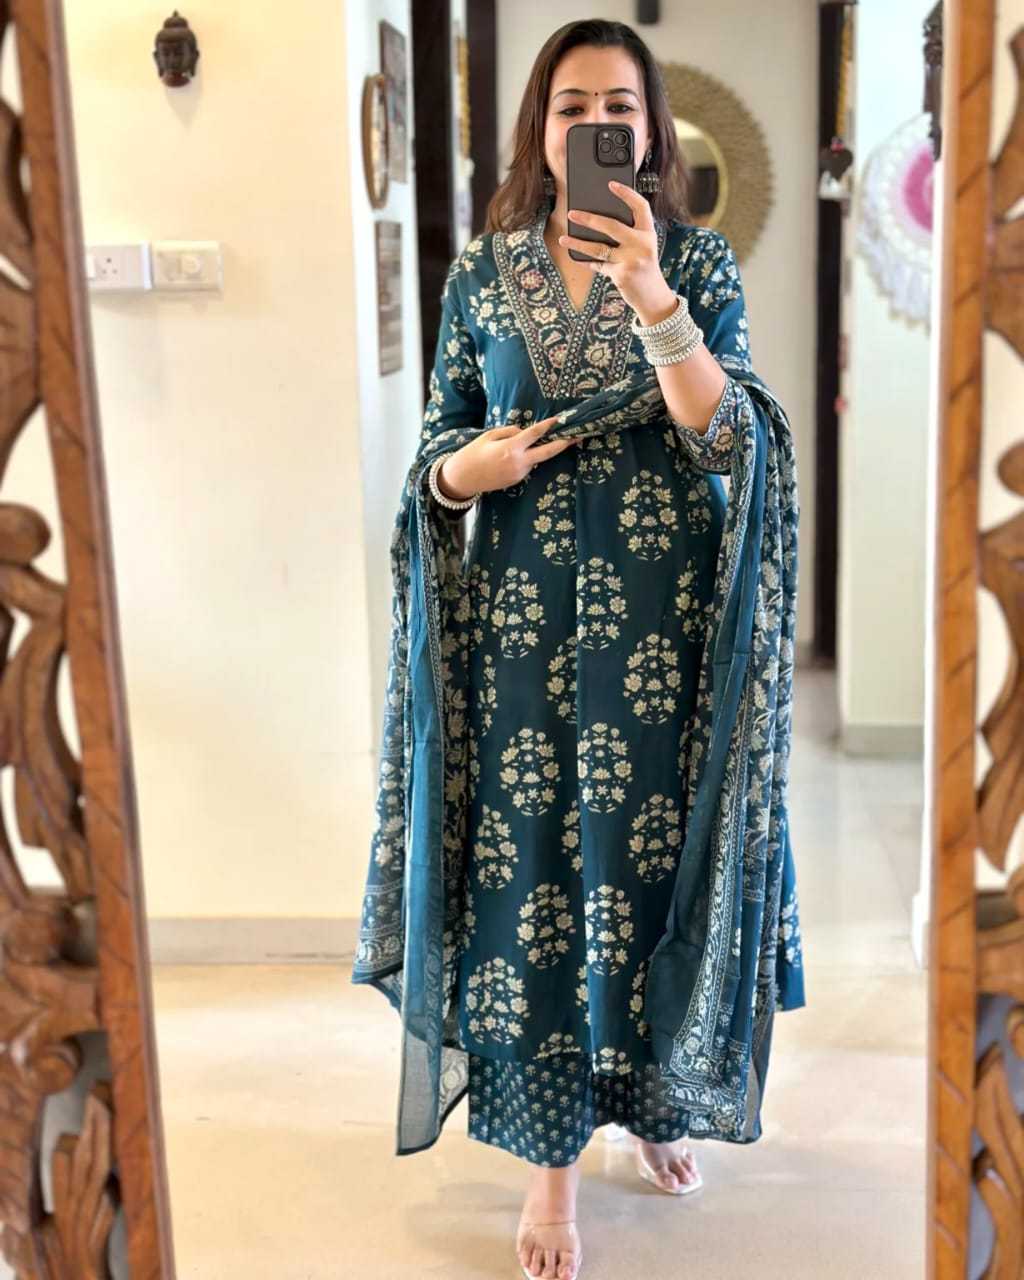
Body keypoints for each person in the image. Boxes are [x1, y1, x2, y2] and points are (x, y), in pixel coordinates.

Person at [351, 18, 806, 1280]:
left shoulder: (695, 260)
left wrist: (654, 296)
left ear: (648, 131)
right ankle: (551, 1164)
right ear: (539, 130)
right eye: (570, 105)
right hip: (520, 634)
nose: (594, 123)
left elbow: (731, 438)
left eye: (617, 104)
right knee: (538, 881)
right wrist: (470, 468)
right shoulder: (482, 274)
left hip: (664, 632)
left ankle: (653, 1102)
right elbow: (434, 451)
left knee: (648, 873)